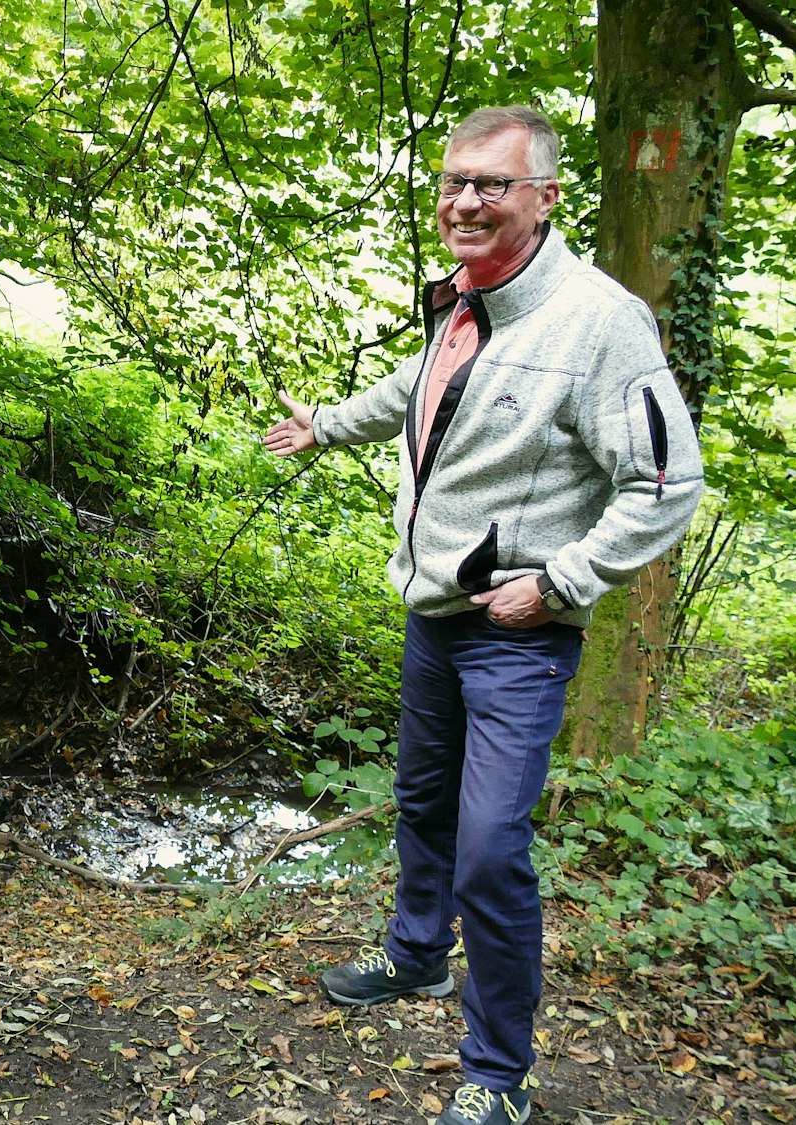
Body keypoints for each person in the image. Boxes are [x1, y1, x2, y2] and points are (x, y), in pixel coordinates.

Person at [261, 105, 702, 1125]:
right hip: (432, 612)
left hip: (517, 633)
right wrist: (325, 427)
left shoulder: (595, 323)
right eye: (454, 180)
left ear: (544, 197)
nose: (463, 200)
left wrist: (559, 582)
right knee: (421, 805)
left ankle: (495, 1076)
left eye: (490, 185)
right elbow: (421, 390)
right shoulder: (467, 299)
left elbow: (666, 483)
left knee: (490, 849)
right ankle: (414, 957)